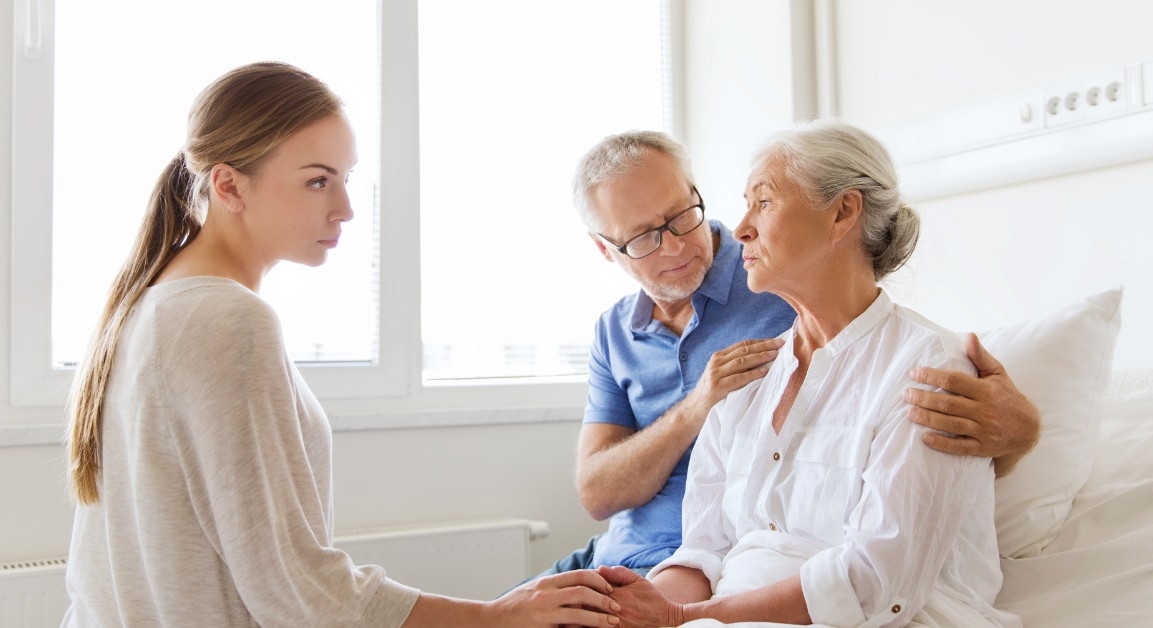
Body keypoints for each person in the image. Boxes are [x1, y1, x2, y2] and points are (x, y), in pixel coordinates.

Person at [61, 62, 623, 628]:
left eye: (345, 178)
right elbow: (297, 591)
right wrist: (494, 616)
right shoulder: (226, 320)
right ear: (229, 185)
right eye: (316, 180)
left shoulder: (147, 304)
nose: (345, 209)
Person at [533, 130, 1040, 580]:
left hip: (686, 565)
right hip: (616, 556)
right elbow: (597, 493)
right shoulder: (615, 330)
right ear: (606, 250)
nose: (674, 246)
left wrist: (1019, 435)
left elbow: (878, 360)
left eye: (682, 215)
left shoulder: (780, 276)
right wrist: (697, 406)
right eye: (644, 237)